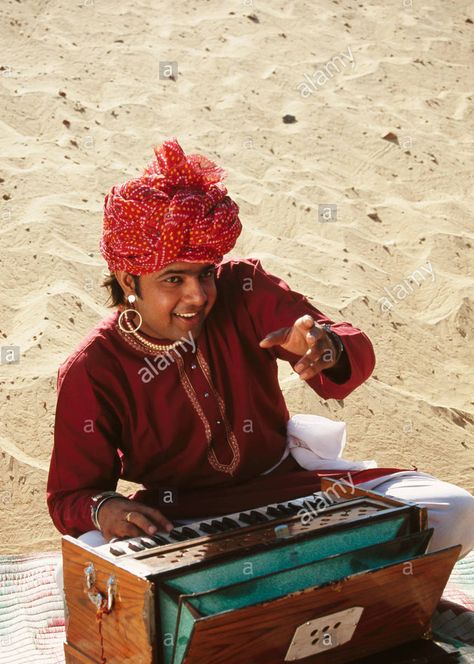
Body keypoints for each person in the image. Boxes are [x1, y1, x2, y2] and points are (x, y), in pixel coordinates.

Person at [47, 138, 474, 584]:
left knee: (455, 510)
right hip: (182, 522)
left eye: (205, 273)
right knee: (89, 569)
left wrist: (328, 348)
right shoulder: (92, 369)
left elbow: (349, 345)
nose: (197, 295)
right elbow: (70, 497)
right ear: (126, 279)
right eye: (174, 279)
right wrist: (105, 508)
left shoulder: (244, 288)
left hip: (292, 490)